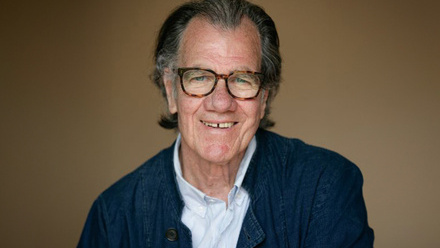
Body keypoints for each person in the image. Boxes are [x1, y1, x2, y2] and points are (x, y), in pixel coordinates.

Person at [77, 0, 374, 247]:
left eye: (242, 79)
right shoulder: (114, 215)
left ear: (263, 98)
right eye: (200, 77)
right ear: (171, 91)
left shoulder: (325, 188)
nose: (221, 103)